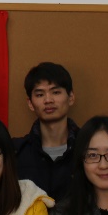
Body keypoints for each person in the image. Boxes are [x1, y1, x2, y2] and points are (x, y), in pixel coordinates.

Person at [13, 62, 79, 200]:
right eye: (39, 94)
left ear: (71, 97)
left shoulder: (89, 149)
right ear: (30, 103)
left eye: (56, 92)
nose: (48, 100)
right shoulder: (15, 152)